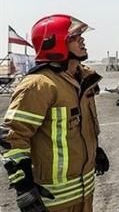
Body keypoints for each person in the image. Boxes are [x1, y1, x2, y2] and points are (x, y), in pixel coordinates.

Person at [0, 14, 108, 212]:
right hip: (54, 200)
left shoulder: (83, 80)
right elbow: (13, 137)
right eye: (74, 37)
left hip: (85, 193)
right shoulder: (39, 86)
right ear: (54, 42)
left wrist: (94, 151)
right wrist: (23, 188)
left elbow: (80, 126)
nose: (82, 40)